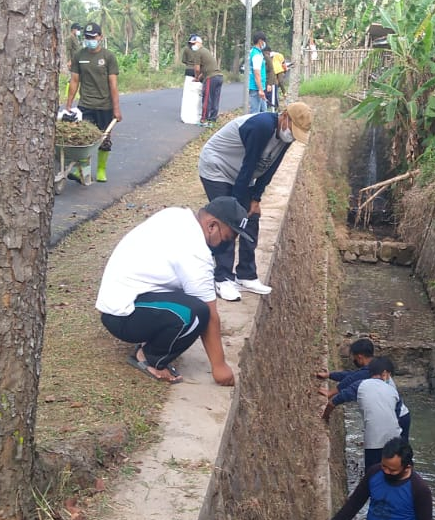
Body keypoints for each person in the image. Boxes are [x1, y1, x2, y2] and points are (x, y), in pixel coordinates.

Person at [94, 197, 252, 386]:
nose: (229, 245)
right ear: (212, 226)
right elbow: (210, 314)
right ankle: (150, 358)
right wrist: (220, 367)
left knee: (191, 305)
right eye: (229, 238)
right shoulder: (195, 251)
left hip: (121, 302)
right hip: (122, 317)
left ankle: (153, 339)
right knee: (196, 313)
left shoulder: (178, 215)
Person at [197, 101, 313, 301]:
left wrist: (256, 198)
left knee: (252, 217)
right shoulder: (261, 126)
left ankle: (246, 274)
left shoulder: (287, 137)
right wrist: (240, 204)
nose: (292, 136)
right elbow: (248, 166)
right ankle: (223, 277)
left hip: (240, 173)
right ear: (284, 116)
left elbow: (271, 167)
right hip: (217, 167)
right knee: (228, 221)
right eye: (292, 130)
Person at [319, 345, 412, 446]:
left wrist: (325, 415)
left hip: (398, 416)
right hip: (398, 415)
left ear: (359, 357)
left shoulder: (364, 382)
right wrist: (330, 375)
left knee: (397, 449)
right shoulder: (375, 370)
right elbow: (351, 376)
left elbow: (342, 391)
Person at [65, 22, 122, 183]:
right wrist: (69, 103)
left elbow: (113, 85)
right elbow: (74, 81)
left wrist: (116, 109)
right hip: (85, 105)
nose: (90, 40)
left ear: (100, 37)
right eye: (87, 38)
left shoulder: (108, 57)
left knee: (104, 139)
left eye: (93, 37)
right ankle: (81, 171)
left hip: (105, 106)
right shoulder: (79, 56)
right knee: (84, 140)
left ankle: (101, 169)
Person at [323, 357, 403, 469]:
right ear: (385, 374)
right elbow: (397, 415)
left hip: (374, 441)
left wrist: (325, 418)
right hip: (395, 437)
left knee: (372, 472)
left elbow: (332, 403)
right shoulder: (392, 391)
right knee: (393, 471)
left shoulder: (360, 385)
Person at [182, 34, 222, 126]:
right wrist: (199, 78)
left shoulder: (198, 52)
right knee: (215, 98)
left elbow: (197, 69)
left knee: (207, 98)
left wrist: (196, 78)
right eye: (191, 44)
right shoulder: (206, 51)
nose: (192, 46)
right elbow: (205, 69)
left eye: (194, 43)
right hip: (219, 77)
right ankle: (212, 119)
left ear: (199, 43)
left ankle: (204, 119)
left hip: (211, 78)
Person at [247, 32, 269, 113]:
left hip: (259, 87)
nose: (264, 43)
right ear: (260, 41)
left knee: (264, 111)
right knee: (255, 113)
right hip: (256, 88)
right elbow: (257, 73)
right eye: (264, 41)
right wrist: (260, 90)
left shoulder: (254, 52)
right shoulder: (256, 55)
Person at [63, 22, 82, 99]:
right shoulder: (69, 38)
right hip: (72, 61)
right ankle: (67, 93)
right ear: (73, 29)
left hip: (77, 60)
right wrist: (69, 61)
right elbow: (68, 50)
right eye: (78, 29)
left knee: (76, 78)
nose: (79, 31)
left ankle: (75, 93)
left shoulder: (76, 38)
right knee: (71, 78)